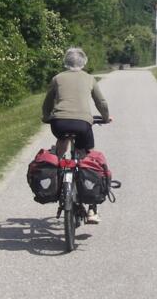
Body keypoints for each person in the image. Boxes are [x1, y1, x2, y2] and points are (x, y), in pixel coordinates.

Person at [41, 47, 111, 224]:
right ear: (83, 63)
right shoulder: (89, 78)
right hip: (82, 124)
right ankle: (92, 210)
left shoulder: (57, 78)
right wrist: (105, 117)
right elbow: (101, 102)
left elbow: (48, 102)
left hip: (59, 123)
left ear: (66, 62)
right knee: (88, 156)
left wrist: (46, 116)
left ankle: (56, 173)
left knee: (62, 141)